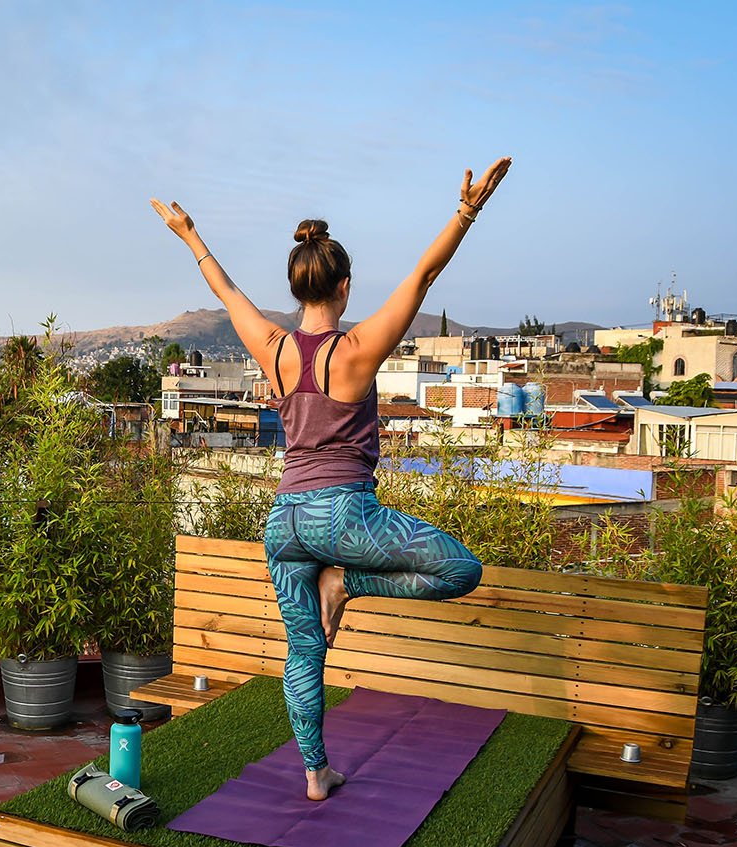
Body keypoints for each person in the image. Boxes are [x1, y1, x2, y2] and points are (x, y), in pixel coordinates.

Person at [150, 157, 511, 801]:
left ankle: (315, 774)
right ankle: (350, 582)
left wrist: (190, 235)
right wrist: (467, 209)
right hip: (340, 513)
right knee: (461, 570)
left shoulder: (275, 348)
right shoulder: (357, 350)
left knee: (304, 652)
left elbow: (226, 292)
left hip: (282, 520)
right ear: (344, 286)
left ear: (297, 290)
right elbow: (424, 275)